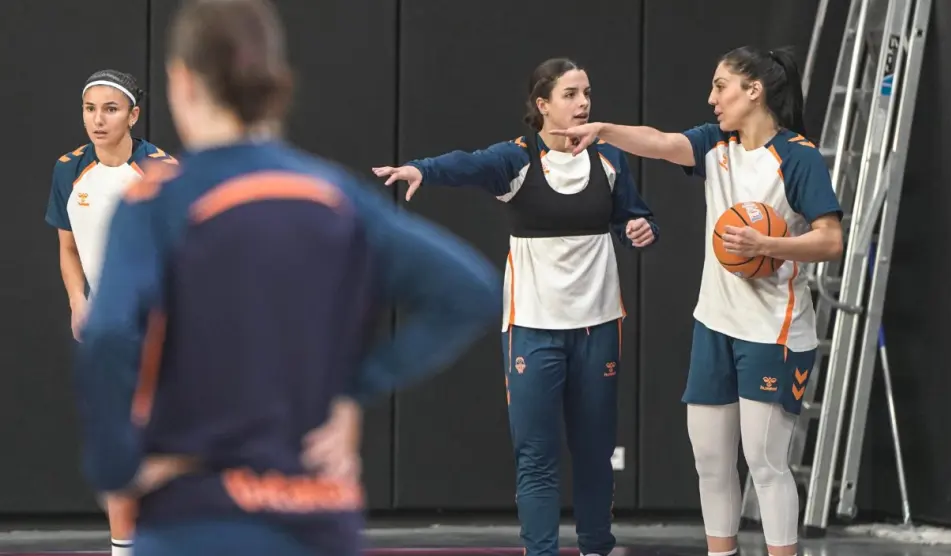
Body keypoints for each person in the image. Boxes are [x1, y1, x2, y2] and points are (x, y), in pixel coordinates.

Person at [70, 1, 502, 555]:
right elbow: (469, 293)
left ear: (183, 81)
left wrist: (115, 467)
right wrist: (353, 389)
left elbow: (107, 333)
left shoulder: (158, 201)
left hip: (198, 517)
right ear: (276, 81)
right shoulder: (335, 195)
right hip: (318, 515)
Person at [549, 46, 844, 556]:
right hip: (714, 326)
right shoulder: (715, 144)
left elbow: (831, 240)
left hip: (773, 330)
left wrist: (766, 245)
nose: (711, 98)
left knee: (765, 463)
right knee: (710, 460)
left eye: (721, 86)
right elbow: (661, 143)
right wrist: (604, 131)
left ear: (754, 91)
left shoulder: (798, 157)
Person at [373, 57, 659, 556]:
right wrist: (421, 169)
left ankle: (596, 547)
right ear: (542, 104)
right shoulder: (517, 159)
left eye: (587, 93)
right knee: (536, 454)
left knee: (595, 453)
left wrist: (641, 228)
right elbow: (466, 163)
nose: (584, 103)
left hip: (598, 327)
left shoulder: (610, 157)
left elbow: (632, 216)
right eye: (570, 94)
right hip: (532, 328)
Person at [44, 68, 177, 556]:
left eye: (111, 109)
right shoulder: (69, 169)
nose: (98, 120)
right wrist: (78, 300)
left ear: (133, 115)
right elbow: (68, 248)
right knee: (120, 450)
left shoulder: (160, 170)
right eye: (90, 109)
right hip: (110, 332)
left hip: (163, 328)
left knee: (169, 449)